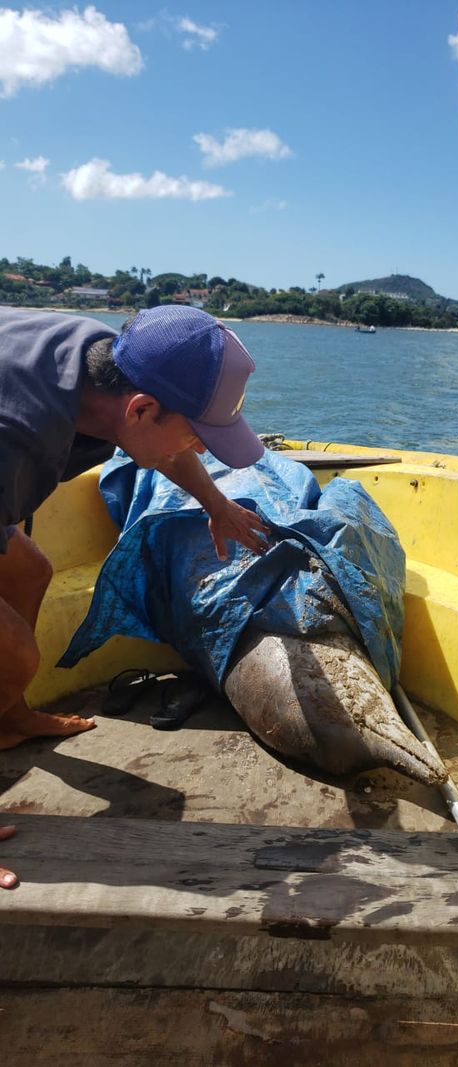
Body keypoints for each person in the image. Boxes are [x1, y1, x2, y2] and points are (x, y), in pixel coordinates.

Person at [0, 304, 269, 888]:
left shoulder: (116, 363)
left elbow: (163, 445)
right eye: (200, 436)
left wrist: (217, 505)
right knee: (14, 652)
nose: (200, 449)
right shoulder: (17, 432)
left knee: (28, 571)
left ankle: (7, 717)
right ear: (141, 409)